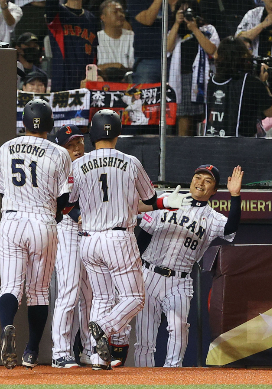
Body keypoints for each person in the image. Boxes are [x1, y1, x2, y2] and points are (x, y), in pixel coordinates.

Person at [69, 109, 190, 369]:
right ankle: (103, 327)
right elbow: (147, 199)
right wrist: (164, 201)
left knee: (101, 298)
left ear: (93, 134)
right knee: (135, 298)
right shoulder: (130, 161)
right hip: (118, 238)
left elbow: (68, 203)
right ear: (118, 133)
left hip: (88, 240)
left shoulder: (78, 164)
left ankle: (98, 356)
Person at [134, 165, 243, 367]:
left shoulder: (212, 218)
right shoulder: (168, 199)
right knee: (145, 337)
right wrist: (134, 270)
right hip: (149, 273)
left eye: (207, 180)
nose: (200, 182)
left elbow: (231, 228)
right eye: (197, 177)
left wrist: (235, 196)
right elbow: (145, 234)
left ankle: (173, 376)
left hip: (179, 281)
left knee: (179, 328)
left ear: (214, 191)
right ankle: (143, 381)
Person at [0, 99, 72, 370]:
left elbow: (1, 190)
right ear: (50, 125)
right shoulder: (59, 152)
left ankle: (7, 327)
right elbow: (64, 197)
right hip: (43, 221)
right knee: (38, 292)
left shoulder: (6, 148)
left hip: (12, 219)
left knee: (10, 287)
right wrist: (58, 213)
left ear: (23, 123)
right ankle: (31, 351)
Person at [49, 125, 94, 368]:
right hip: (66, 227)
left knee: (90, 292)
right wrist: (77, 214)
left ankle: (88, 348)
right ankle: (60, 351)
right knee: (70, 289)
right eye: (70, 144)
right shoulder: (56, 166)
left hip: (91, 229)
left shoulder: (89, 163)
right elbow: (61, 202)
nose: (77, 147)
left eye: (79, 142)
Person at [168, 0, 220, 136]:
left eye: (188, 11)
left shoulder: (208, 29)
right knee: (184, 116)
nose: (186, 15)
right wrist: (177, 24)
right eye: (182, 11)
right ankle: (182, 150)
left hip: (204, 78)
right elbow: (167, 48)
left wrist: (195, 29)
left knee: (206, 115)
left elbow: (212, 50)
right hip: (182, 79)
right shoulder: (176, 31)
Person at [204, 37, 272, 137]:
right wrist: (263, 82)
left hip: (213, 145)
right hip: (242, 147)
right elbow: (271, 112)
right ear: (243, 56)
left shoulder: (212, 82)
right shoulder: (252, 82)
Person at [46, 0, 99, 92]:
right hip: (62, 77)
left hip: (85, 79)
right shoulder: (57, 13)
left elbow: (94, 53)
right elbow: (50, 1)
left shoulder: (91, 18)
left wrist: (92, 78)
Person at [128, 0, 179, 83]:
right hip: (147, 60)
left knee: (171, 99)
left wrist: (173, 5)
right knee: (145, 100)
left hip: (171, 58)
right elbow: (148, 20)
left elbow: (174, 27)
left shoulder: (168, 0)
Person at [97, 0, 134, 81]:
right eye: (115, 12)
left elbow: (135, 68)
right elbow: (92, 68)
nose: (121, 14)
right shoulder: (96, 39)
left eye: (121, 11)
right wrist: (116, 66)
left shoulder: (132, 37)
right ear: (103, 17)